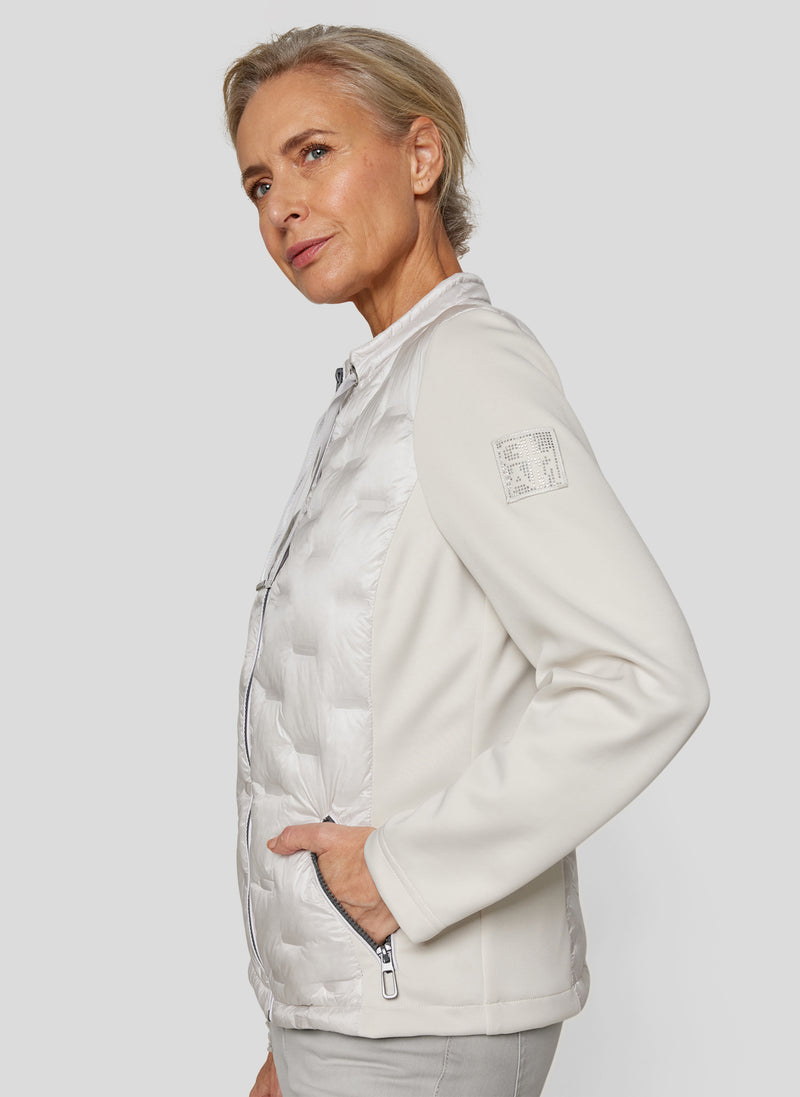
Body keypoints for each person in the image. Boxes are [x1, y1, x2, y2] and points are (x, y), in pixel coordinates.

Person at [223, 25, 709, 1097]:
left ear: (420, 156)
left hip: (416, 1021)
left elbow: (642, 676)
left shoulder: (468, 371)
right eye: (257, 183)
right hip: (355, 1015)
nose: (280, 206)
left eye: (312, 154)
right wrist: (294, 1036)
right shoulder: (380, 389)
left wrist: (393, 876)